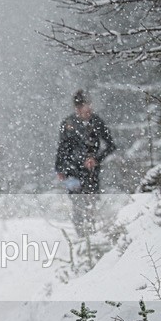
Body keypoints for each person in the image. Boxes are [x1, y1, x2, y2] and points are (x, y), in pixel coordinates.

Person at [55, 89, 116, 236]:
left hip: (91, 172)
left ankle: (91, 233)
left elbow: (110, 145)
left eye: (90, 107)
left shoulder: (97, 122)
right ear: (77, 108)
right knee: (77, 203)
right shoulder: (68, 124)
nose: (89, 110)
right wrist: (59, 168)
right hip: (72, 170)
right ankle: (81, 235)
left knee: (90, 202)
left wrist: (96, 159)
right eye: (85, 108)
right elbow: (62, 148)